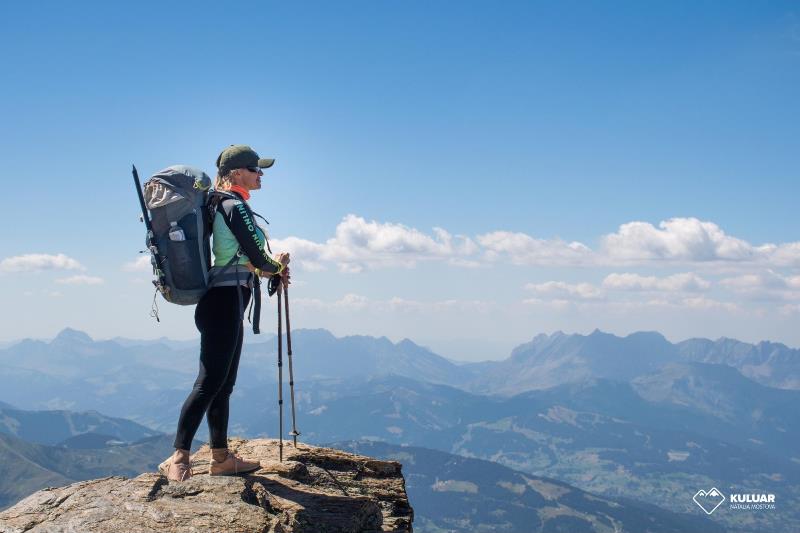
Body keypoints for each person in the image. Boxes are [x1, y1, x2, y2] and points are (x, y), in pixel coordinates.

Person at [159, 145, 290, 482]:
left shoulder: (224, 204)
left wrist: (271, 269)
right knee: (209, 383)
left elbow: (246, 261)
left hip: (227, 301)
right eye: (254, 168)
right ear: (236, 173)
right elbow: (257, 258)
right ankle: (178, 457)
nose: (260, 174)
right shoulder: (234, 205)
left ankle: (220, 457)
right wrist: (276, 266)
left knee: (223, 384)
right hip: (224, 303)